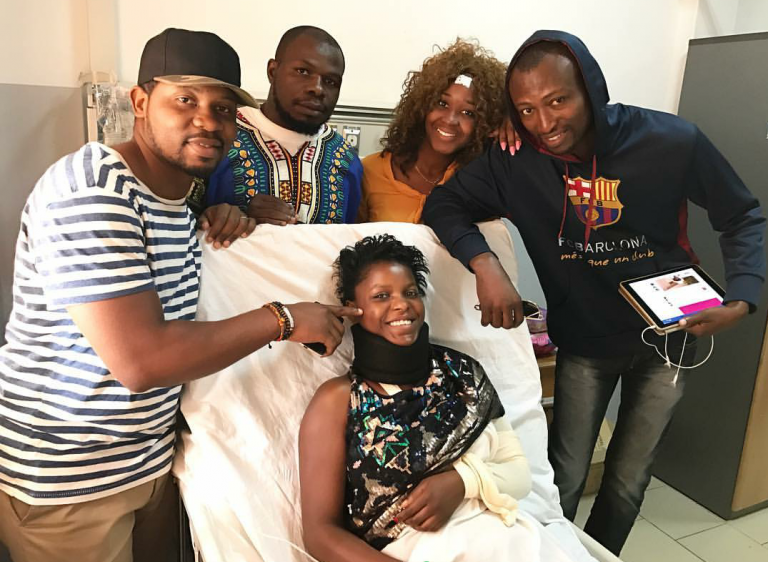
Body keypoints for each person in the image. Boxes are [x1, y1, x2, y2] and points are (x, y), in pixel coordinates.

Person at [0, 28, 360, 562]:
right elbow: (142, 361)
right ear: (140, 102)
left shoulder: (178, 202)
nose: (206, 121)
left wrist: (225, 216)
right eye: (185, 100)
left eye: (222, 109)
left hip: (150, 463)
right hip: (70, 479)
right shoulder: (92, 188)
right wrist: (285, 319)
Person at [423, 30, 766, 555]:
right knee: (561, 478)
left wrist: (742, 297)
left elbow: (741, 215)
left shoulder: (670, 141)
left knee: (628, 482)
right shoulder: (514, 158)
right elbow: (444, 204)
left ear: (591, 88)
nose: (545, 123)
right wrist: (485, 264)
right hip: (584, 342)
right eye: (527, 109)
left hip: (670, 338)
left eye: (558, 100)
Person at [299, 234, 576, 562]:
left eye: (410, 292)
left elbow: (519, 475)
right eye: (381, 296)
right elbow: (320, 534)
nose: (401, 304)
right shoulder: (338, 400)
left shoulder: (462, 373)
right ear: (353, 309)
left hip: (506, 538)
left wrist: (462, 482)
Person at [200, 25, 363, 225]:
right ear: (273, 71)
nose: (317, 89)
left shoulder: (346, 158)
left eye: (330, 81)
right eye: (303, 71)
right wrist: (235, 216)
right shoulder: (218, 136)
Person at [358, 39, 510, 224]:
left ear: (485, 124)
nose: (450, 120)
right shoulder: (369, 172)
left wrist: (513, 126)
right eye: (442, 103)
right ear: (421, 105)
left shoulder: (479, 181)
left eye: (468, 113)